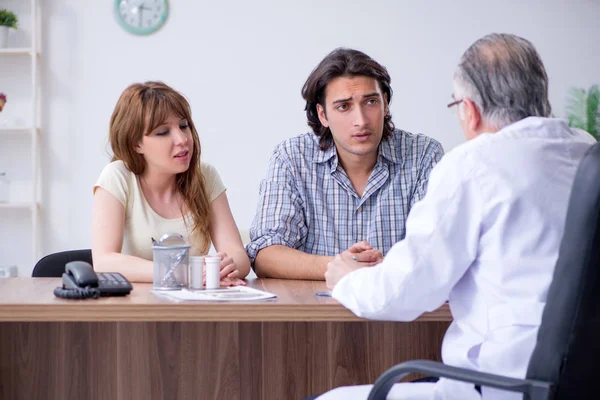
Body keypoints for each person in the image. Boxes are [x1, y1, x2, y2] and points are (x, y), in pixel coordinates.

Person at [318, 33, 597, 400]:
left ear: (470, 109)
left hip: (501, 384)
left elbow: (403, 292)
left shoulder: (474, 165)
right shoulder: (586, 151)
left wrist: (346, 278)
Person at [247, 48, 444, 280]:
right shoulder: (292, 157)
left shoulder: (423, 155)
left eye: (371, 102)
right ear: (322, 115)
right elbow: (265, 254)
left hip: (399, 311)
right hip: (315, 311)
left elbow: (438, 251)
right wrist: (341, 266)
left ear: (386, 103)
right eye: (343, 107)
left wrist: (372, 271)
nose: (360, 121)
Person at [92, 81, 250, 284]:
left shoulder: (205, 175)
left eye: (184, 126)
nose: (182, 139)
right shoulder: (117, 176)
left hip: (193, 307)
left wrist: (224, 267)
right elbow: (105, 262)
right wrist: (183, 273)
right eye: (163, 132)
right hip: (133, 308)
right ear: (136, 143)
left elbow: (238, 256)